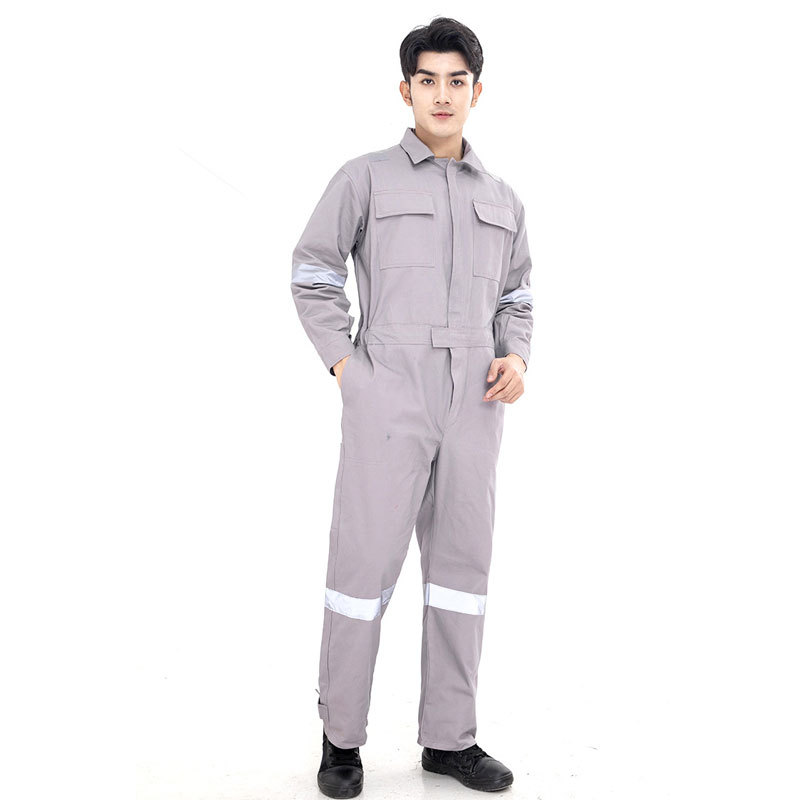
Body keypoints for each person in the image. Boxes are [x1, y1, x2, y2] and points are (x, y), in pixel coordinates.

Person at [290, 16, 533, 797]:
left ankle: (449, 741)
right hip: (388, 390)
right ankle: (341, 739)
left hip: (476, 402)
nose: (442, 94)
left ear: (476, 92)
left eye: (456, 80)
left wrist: (516, 356)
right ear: (406, 90)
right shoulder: (364, 179)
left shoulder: (503, 198)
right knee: (361, 569)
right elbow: (314, 270)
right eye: (428, 80)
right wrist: (346, 366)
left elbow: (517, 294)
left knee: (462, 570)